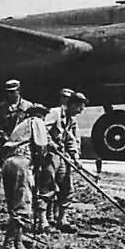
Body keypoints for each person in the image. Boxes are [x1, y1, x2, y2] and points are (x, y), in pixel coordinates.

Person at [0, 102, 49, 249]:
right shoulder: (36, 122)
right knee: (22, 206)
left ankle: (18, 244)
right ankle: (8, 246)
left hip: (9, 162)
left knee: (15, 205)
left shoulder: (22, 125)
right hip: (21, 162)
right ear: (39, 114)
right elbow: (41, 146)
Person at [40, 89, 87, 233]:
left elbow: (71, 140)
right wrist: (50, 143)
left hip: (62, 155)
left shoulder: (71, 119)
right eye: (79, 108)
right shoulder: (54, 113)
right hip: (49, 155)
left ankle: (61, 219)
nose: (80, 111)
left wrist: (75, 157)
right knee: (47, 187)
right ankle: (43, 222)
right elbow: (42, 130)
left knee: (67, 187)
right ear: (72, 104)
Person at [0, 79, 32, 200]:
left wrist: (21, 139)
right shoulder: (3, 106)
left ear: (19, 91)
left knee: (22, 171)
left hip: (22, 143)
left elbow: (30, 126)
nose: (10, 94)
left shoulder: (28, 106)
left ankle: (23, 196)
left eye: (13, 92)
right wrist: (6, 137)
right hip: (6, 142)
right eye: (8, 92)